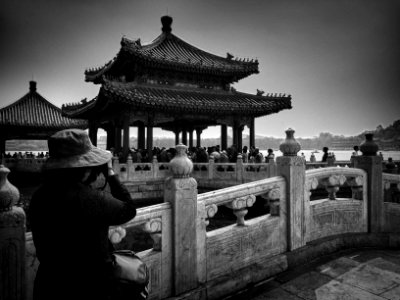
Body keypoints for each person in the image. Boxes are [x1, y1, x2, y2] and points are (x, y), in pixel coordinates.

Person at [29, 129, 137, 300]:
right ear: (87, 168)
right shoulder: (93, 199)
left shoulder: (39, 197)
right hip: (91, 286)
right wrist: (110, 174)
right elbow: (129, 210)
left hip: (49, 284)